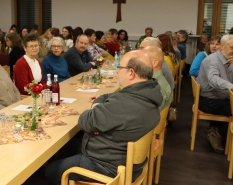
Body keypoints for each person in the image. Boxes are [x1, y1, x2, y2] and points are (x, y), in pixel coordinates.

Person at [45, 50, 162, 185]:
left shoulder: (122, 104)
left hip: (108, 167)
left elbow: (84, 121)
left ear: (131, 73)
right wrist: (98, 109)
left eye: (119, 67)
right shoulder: (148, 93)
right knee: (72, 145)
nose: (117, 71)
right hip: (126, 161)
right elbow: (106, 97)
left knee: (53, 170)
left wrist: (96, 113)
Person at [196, 35, 233, 153]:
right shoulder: (212, 60)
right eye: (232, 47)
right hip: (209, 100)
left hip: (220, 97)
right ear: (222, 46)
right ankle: (217, 133)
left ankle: (216, 129)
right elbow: (213, 80)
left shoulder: (227, 60)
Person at [142, 46, 172, 111]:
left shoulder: (154, 86)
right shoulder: (159, 80)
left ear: (154, 63)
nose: (138, 63)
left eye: (142, 60)